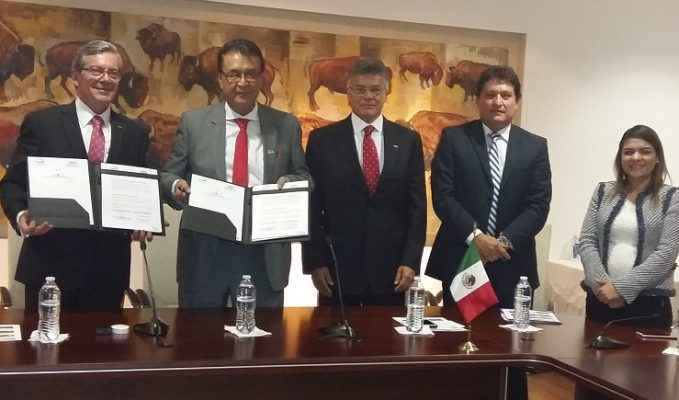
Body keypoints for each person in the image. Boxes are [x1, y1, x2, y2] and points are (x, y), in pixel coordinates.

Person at [425, 65, 551, 400]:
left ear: (517, 101)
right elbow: (443, 196)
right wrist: (476, 238)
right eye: (490, 95)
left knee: (510, 351)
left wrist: (502, 242)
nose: (498, 101)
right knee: (457, 346)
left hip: (512, 264)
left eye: (506, 95)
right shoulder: (455, 138)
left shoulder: (535, 147)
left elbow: (538, 205)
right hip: (462, 259)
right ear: (478, 100)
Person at [0, 40, 151, 311]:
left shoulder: (135, 133)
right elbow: (13, 184)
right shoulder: (42, 124)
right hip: (49, 268)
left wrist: (144, 219)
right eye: (96, 70)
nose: (105, 79)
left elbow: (141, 188)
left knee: (104, 340)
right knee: (45, 340)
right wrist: (22, 216)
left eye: (113, 73)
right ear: (75, 76)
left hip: (108, 273)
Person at [160, 38, 309, 308]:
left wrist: (292, 182)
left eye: (251, 74)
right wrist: (176, 186)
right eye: (234, 74)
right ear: (220, 78)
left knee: (265, 333)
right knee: (200, 332)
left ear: (261, 78)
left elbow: (303, 175)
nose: (242, 82)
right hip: (206, 251)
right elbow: (169, 175)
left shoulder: (285, 125)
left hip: (264, 252)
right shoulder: (194, 123)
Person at [302, 57, 426, 306]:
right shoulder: (322, 140)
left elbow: (417, 208)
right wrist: (315, 262)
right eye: (360, 90)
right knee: (331, 332)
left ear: (386, 93)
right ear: (348, 93)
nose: (368, 96)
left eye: (375, 90)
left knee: (389, 332)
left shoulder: (408, 141)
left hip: (393, 271)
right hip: (337, 270)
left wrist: (411, 261)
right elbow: (312, 207)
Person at [578, 125, 679, 328]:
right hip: (600, 298)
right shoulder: (602, 191)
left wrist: (621, 289)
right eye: (628, 152)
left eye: (645, 151)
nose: (636, 157)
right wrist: (603, 287)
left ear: (657, 158)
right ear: (620, 158)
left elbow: (666, 254)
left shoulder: (673, 197)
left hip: (649, 304)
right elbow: (587, 241)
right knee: (590, 350)